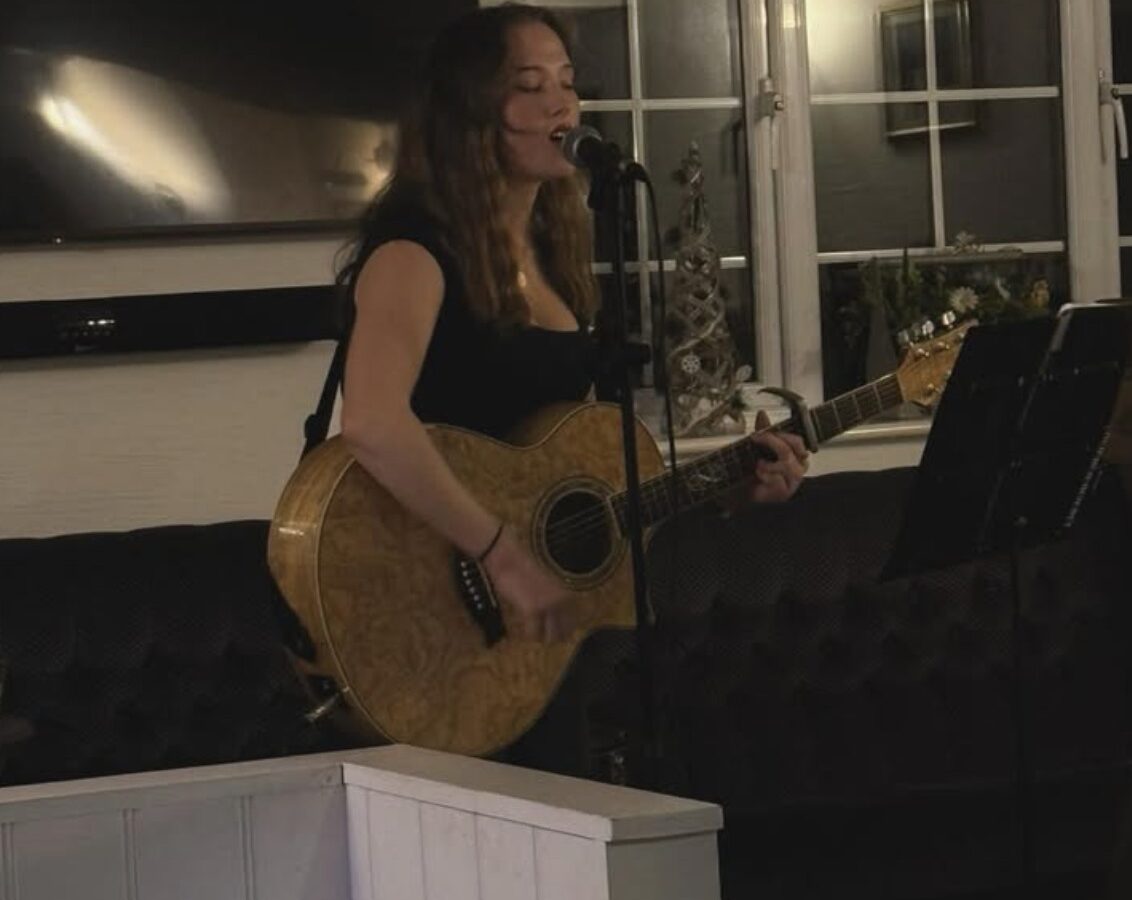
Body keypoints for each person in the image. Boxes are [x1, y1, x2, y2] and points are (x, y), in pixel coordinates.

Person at [337, 2, 809, 650]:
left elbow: (580, 489)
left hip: (542, 634)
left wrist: (728, 493)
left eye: (566, 82)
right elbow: (372, 423)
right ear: (469, 115)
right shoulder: (414, 251)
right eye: (529, 87)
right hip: (433, 612)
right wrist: (503, 557)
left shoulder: (553, 258)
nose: (561, 105)